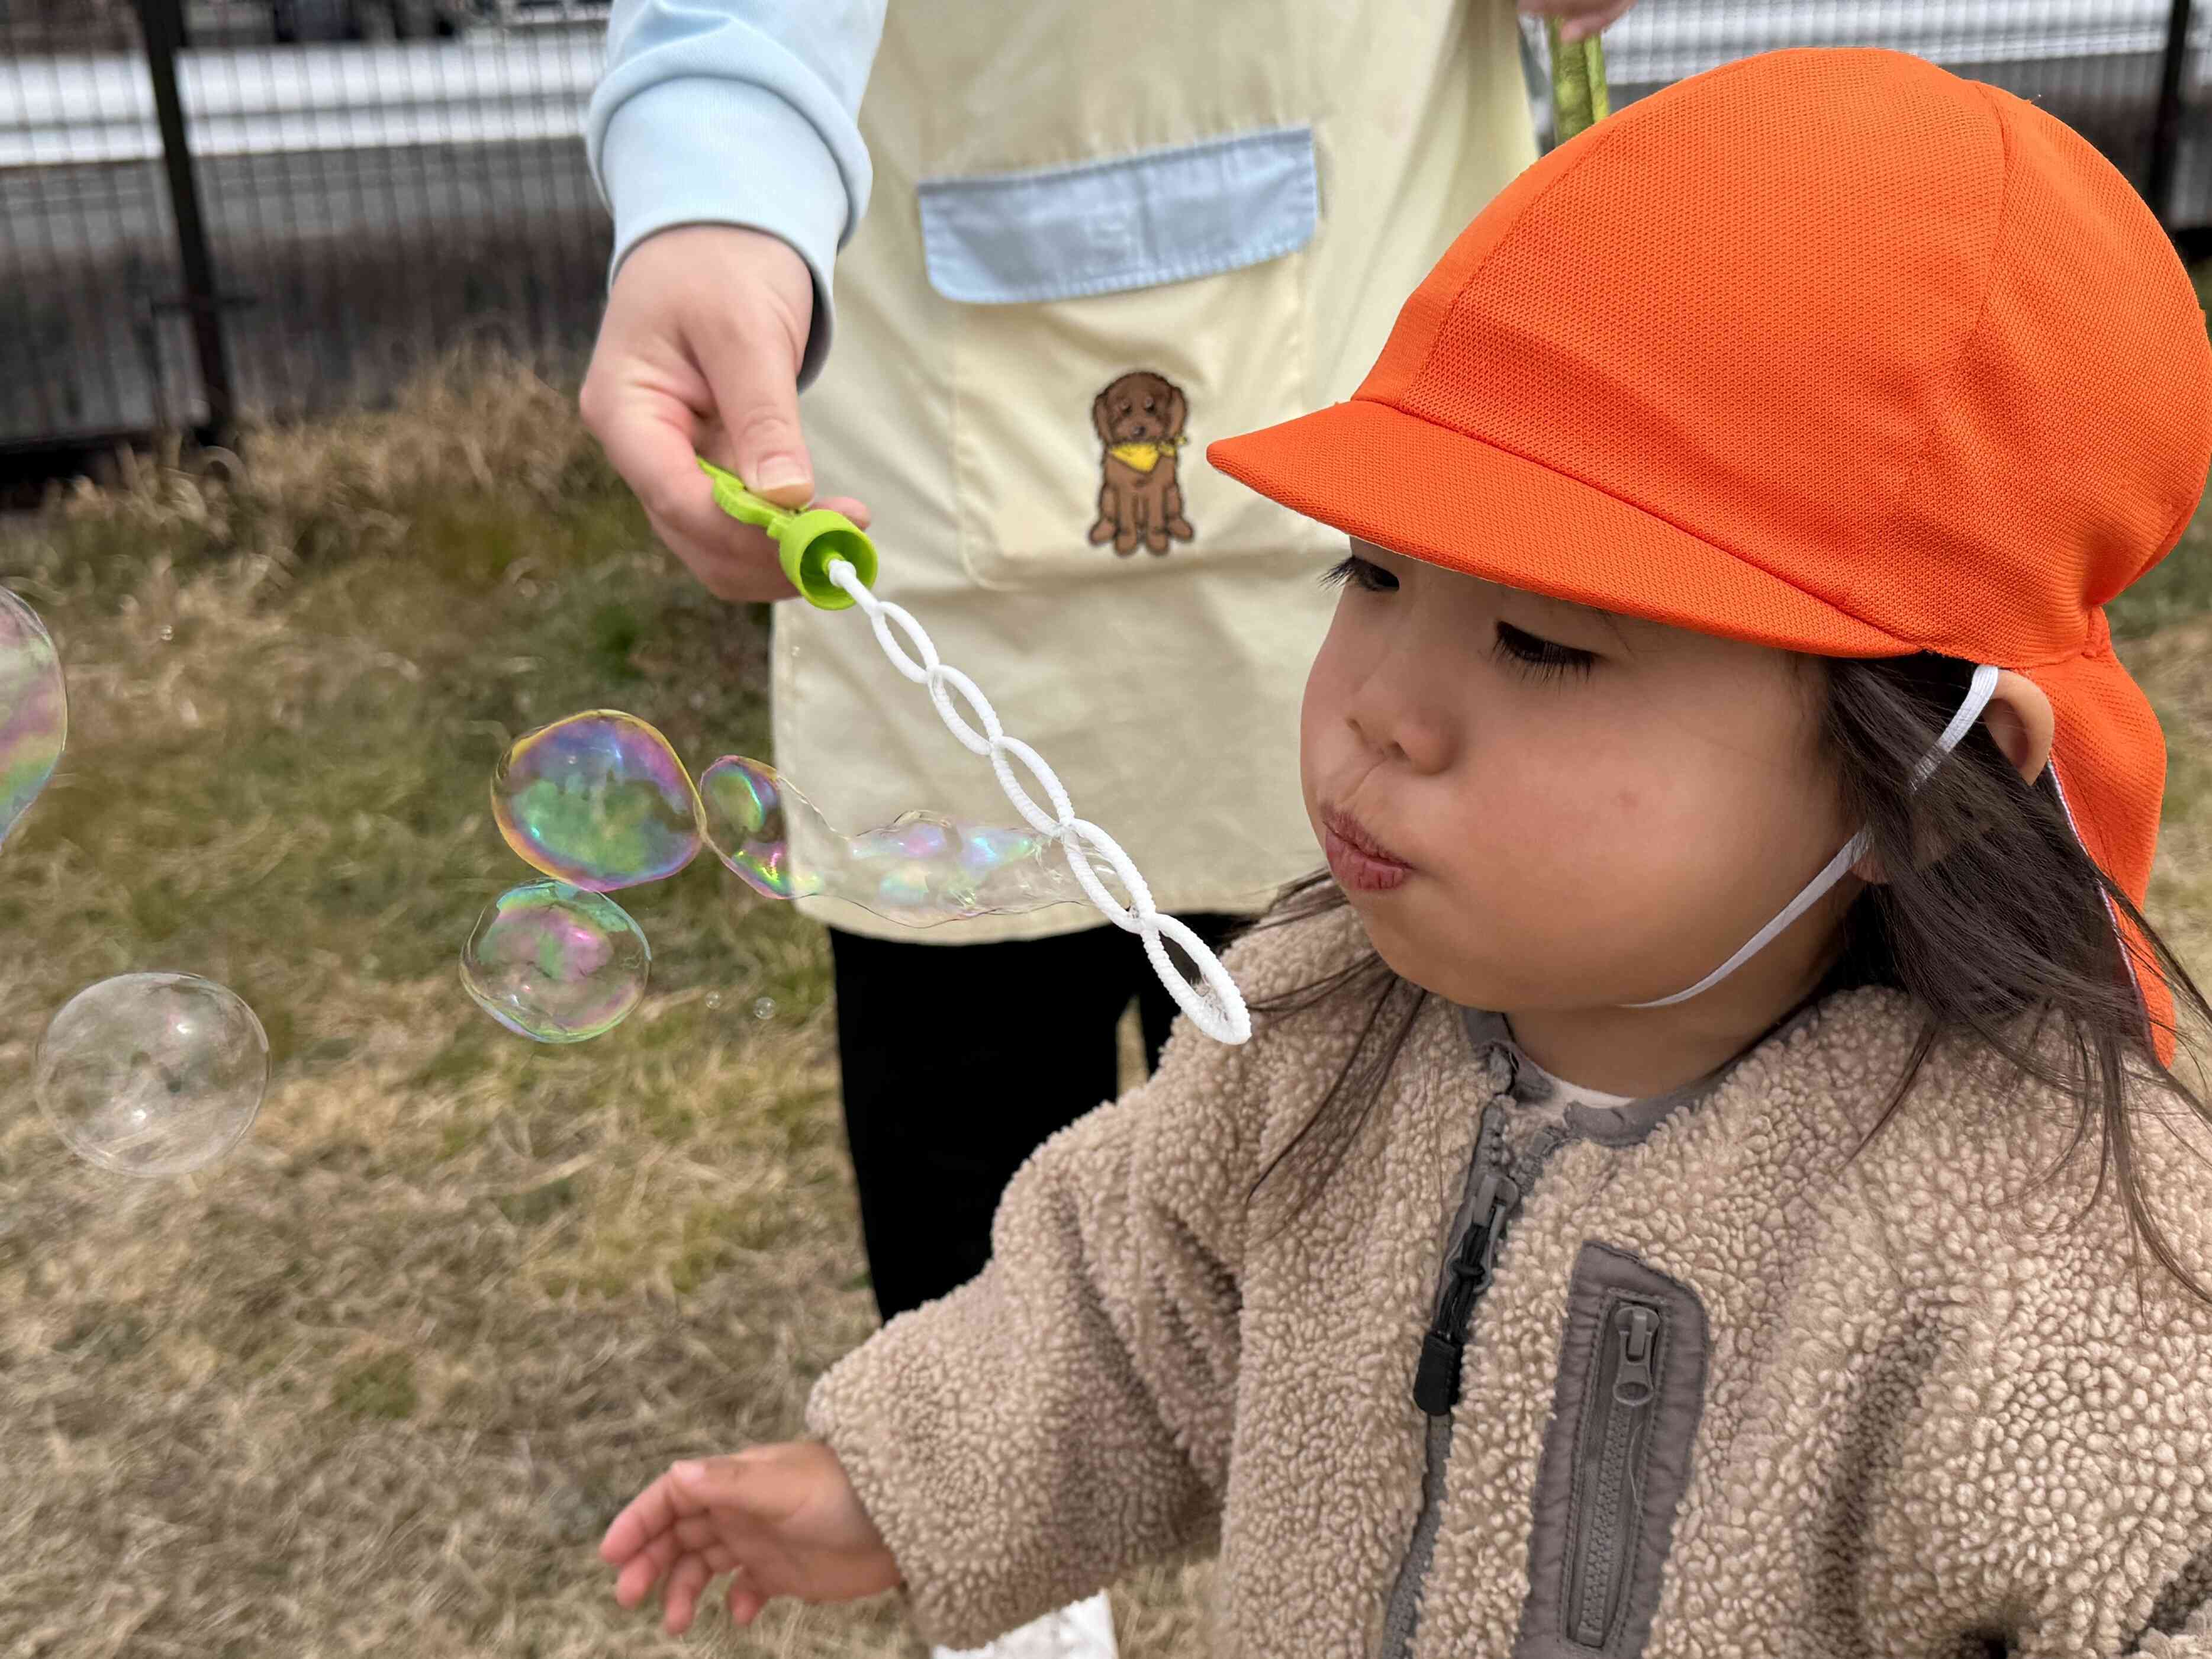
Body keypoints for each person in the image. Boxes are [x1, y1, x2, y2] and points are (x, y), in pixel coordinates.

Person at [595, 47, 2212, 1658]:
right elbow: (1134, 1311)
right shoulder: (1314, 1026)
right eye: (1367, 576)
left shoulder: (2042, 1248)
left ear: (1929, 782)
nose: (1379, 710)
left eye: (1539, 643)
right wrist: (900, 1477)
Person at [582, 2, 1628, 1652]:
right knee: (971, 1215)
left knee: (1396, 1245)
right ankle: (1019, 1615)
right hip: (940, 607)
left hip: (1376, 530)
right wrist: (712, 187)